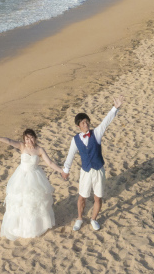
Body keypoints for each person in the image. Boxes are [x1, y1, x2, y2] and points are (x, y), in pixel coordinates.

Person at [61, 95, 123, 231]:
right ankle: (79, 218)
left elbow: (106, 121)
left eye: (87, 122)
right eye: (83, 123)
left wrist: (115, 108)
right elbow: (70, 155)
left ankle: (94, 219)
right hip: (85, 172)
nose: (86, 124)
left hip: (98, 170)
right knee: (82, 197)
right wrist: (66, 170)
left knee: (98, 197)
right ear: (78, 126)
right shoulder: (75, 140)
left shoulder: (97, 133)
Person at [0, 127, 64, 240]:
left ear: (35, 137)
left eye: (31, 138)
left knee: (33, 202)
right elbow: (9, 141)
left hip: (35, 177)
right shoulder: (22, 146)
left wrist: (61, 170)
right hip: (21, 176)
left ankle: (35, 227)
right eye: (27, 139)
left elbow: (50, 162)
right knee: (20, 201)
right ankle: (19, 227)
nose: (29, 141)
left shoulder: (39, 150)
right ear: (24, 140)